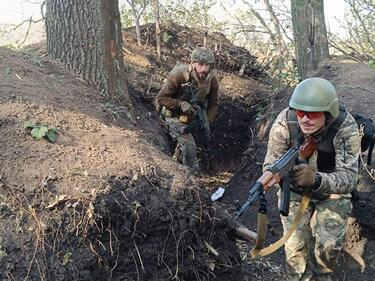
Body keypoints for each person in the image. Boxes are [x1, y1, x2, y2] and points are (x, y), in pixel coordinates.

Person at [263, 77, 360, 281]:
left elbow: (350, 178)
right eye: (300, 112)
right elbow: (270, 163)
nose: (305, 119)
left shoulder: (345, 127)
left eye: (313, 113)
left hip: (333, 191)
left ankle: (322, 275)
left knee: (329, 245)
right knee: (294, 249)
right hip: (295, 191)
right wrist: (276, 176)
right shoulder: (284, 122)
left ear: (328, 113)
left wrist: (316, 180)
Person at [155, 46, 219, 174]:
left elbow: (214, 104)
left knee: (196, 140)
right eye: (201, 64)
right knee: (189, 145)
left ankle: (177, 163)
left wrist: (206, 121)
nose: (205, 69)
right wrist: (180, 104)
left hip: (191, 118)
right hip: (172, 116)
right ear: (193, 63)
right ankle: (191, 176)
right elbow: (161, 98)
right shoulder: (179, 74)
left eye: (208, 65)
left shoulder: (211, 79)